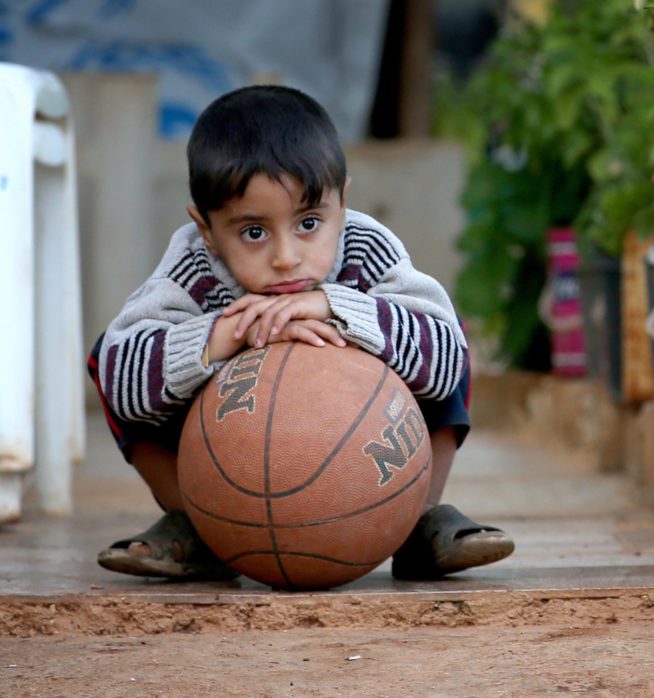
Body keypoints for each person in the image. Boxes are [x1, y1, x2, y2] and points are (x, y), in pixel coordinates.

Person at [88, 84, 514, 582]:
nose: (286, 257)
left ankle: (417, 516)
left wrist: (337, 307)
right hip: (230, 457)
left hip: (371, 455)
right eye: (253, 232)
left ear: (342, 202)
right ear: (206, 228)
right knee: (112, 360)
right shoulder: (190, 267)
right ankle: (200, 527)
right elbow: (122, 375)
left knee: (444, 340)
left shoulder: (365, 248)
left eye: (309, 222)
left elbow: (443, 360)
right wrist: (220, 337)